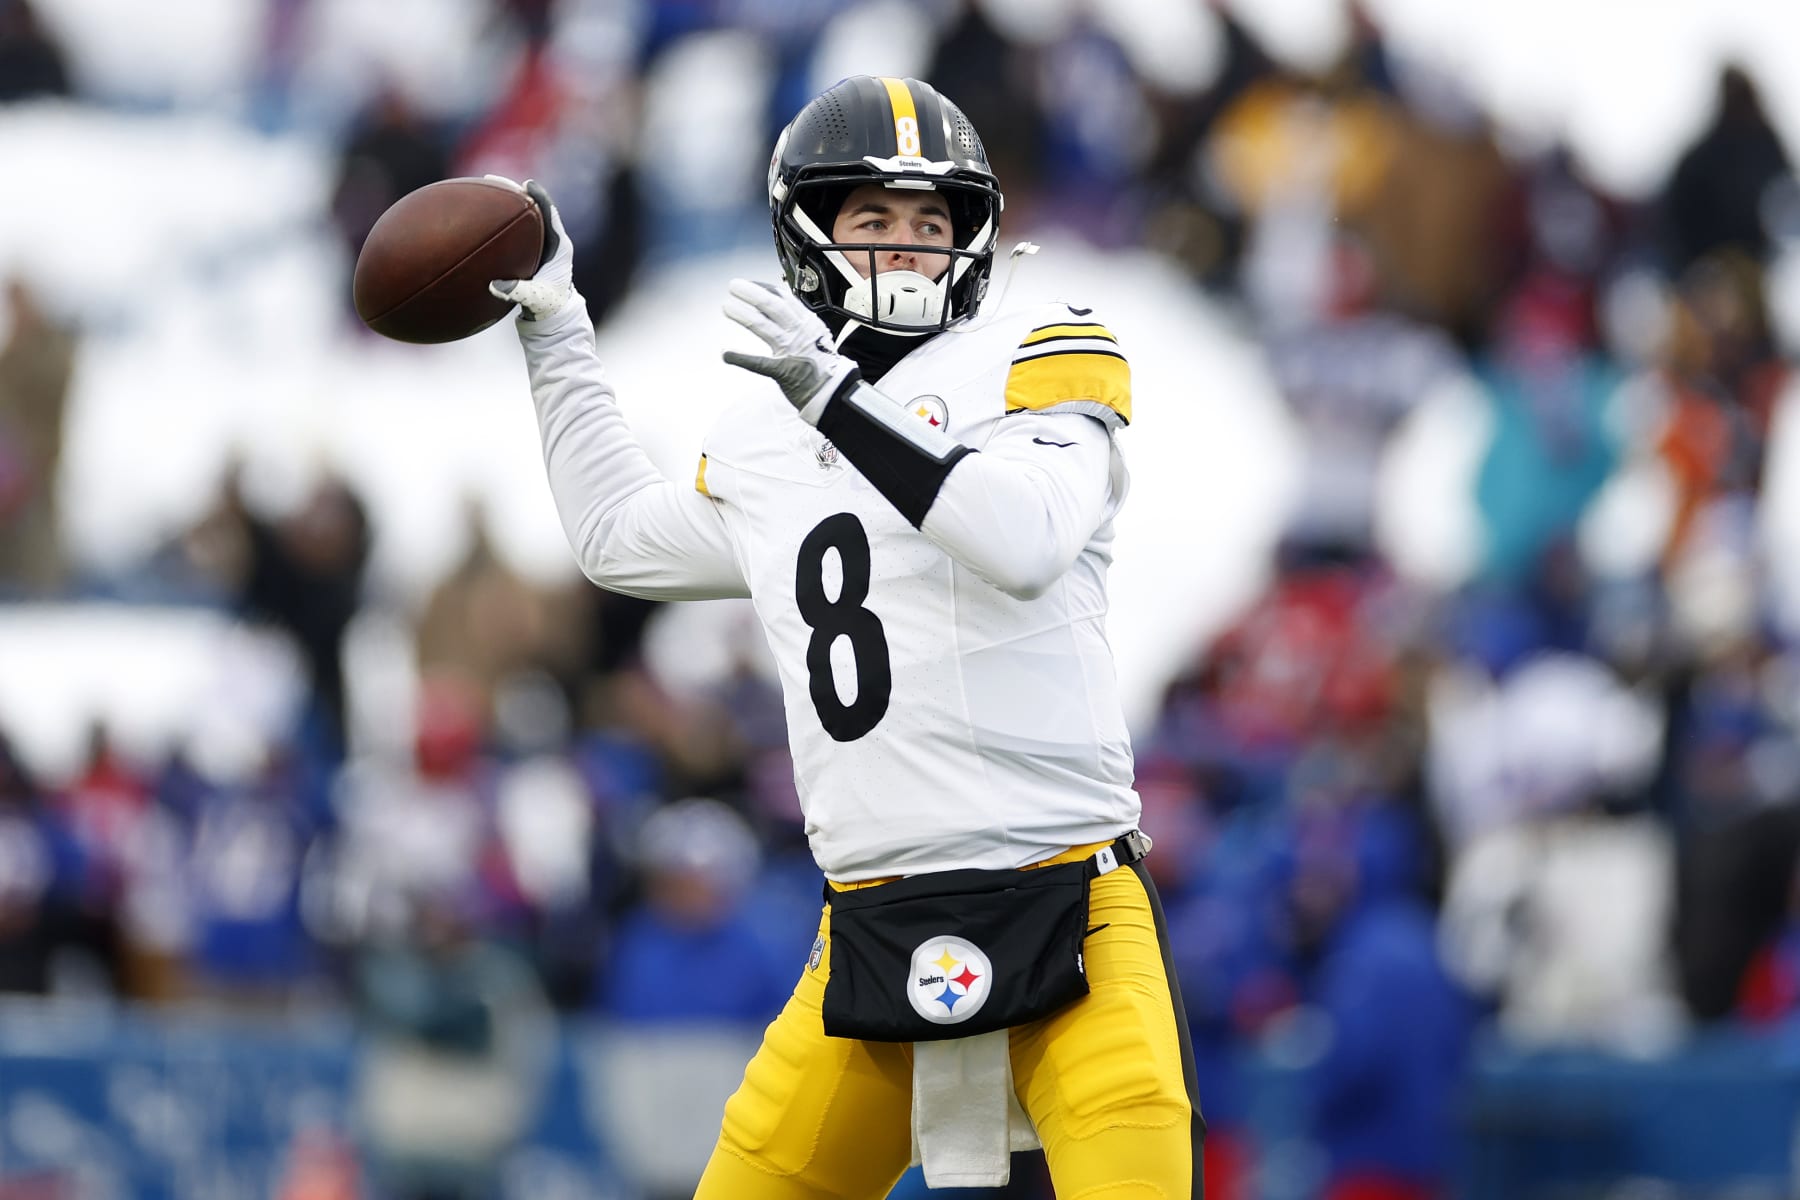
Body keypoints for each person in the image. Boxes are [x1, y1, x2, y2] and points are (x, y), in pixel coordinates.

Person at [487, 75, 1203, 1198]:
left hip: (1068, 905)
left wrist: (833, 397)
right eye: (873, 216)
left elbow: (1022, 538)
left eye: (932, 219)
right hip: (871, 921)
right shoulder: (770, 431)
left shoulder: (1042, 348)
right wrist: (557, 333)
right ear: (807, 230)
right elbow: (620, 541)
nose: (907, 243)